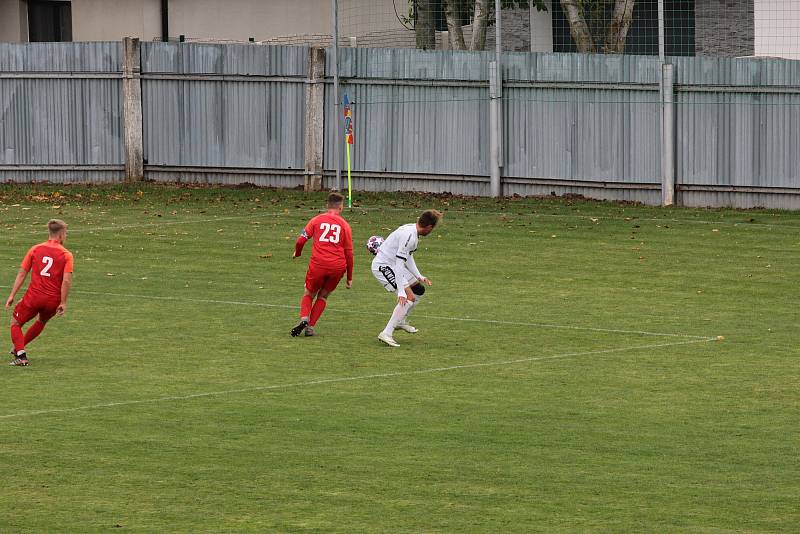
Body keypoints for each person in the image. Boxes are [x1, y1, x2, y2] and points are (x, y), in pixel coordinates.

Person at [5, 219, 74, 366]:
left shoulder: (35, 249)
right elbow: (66, 281)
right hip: (53, 300)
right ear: (61, 235)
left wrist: (12, 295)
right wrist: (63, 302)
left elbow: (22, 274)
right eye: (66, 233)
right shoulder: (67, 255)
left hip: (34, 297)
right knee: (42, 321)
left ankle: (21, 356)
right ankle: (19, 347)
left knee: (15, 323)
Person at [372, 209, 442, 347]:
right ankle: (387, 333)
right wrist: (401, 291)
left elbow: (407, 257)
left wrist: (419, 275)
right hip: (383, 266)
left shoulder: (413, 233)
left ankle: (401, 320)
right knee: (409, 297)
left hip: (394, 265)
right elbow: (399, 264)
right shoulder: (409, 236)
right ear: (429, 227)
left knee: (418, 290)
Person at [291, 192, 354, 337]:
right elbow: (349, 254)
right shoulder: (345, 226)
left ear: (327, 205)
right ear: (341, 207)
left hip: (318, 265)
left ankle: (304, 318)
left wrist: (298, 253)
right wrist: (349, 277)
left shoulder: (316, 220)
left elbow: (300, 241)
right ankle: (310, 327)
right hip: (338, 267)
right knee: (323, 296)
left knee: (308, 293)